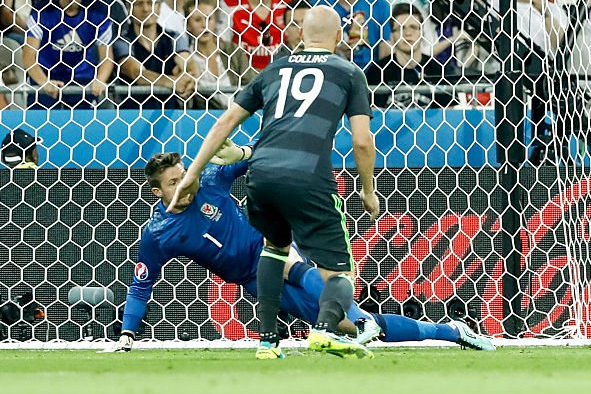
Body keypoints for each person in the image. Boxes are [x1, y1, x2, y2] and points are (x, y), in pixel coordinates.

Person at [110, 150, 493, 353]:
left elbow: (261, 156)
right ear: (158, 191)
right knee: (348, 327)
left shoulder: (209, 180)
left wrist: (242, 151)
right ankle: (449, 330)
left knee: (293, 267)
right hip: (252, 281)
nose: (186, 183)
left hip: (269, 243)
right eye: (175, 182)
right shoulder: (158, 234)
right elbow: (141, 285)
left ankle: (378, 323)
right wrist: (128, 332)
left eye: (185, 174)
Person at [169, 6, 382, 360]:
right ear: (339, 36)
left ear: (301, 35)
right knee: (341, 272)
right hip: (308, 175)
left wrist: (192, 173)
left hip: (262, 172)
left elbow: (225, 123)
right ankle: (326, 330)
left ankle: (267, 342)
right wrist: (368, 189)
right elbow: (362, 141)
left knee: (274, 246)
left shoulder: (274, 69)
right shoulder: (349, 73)